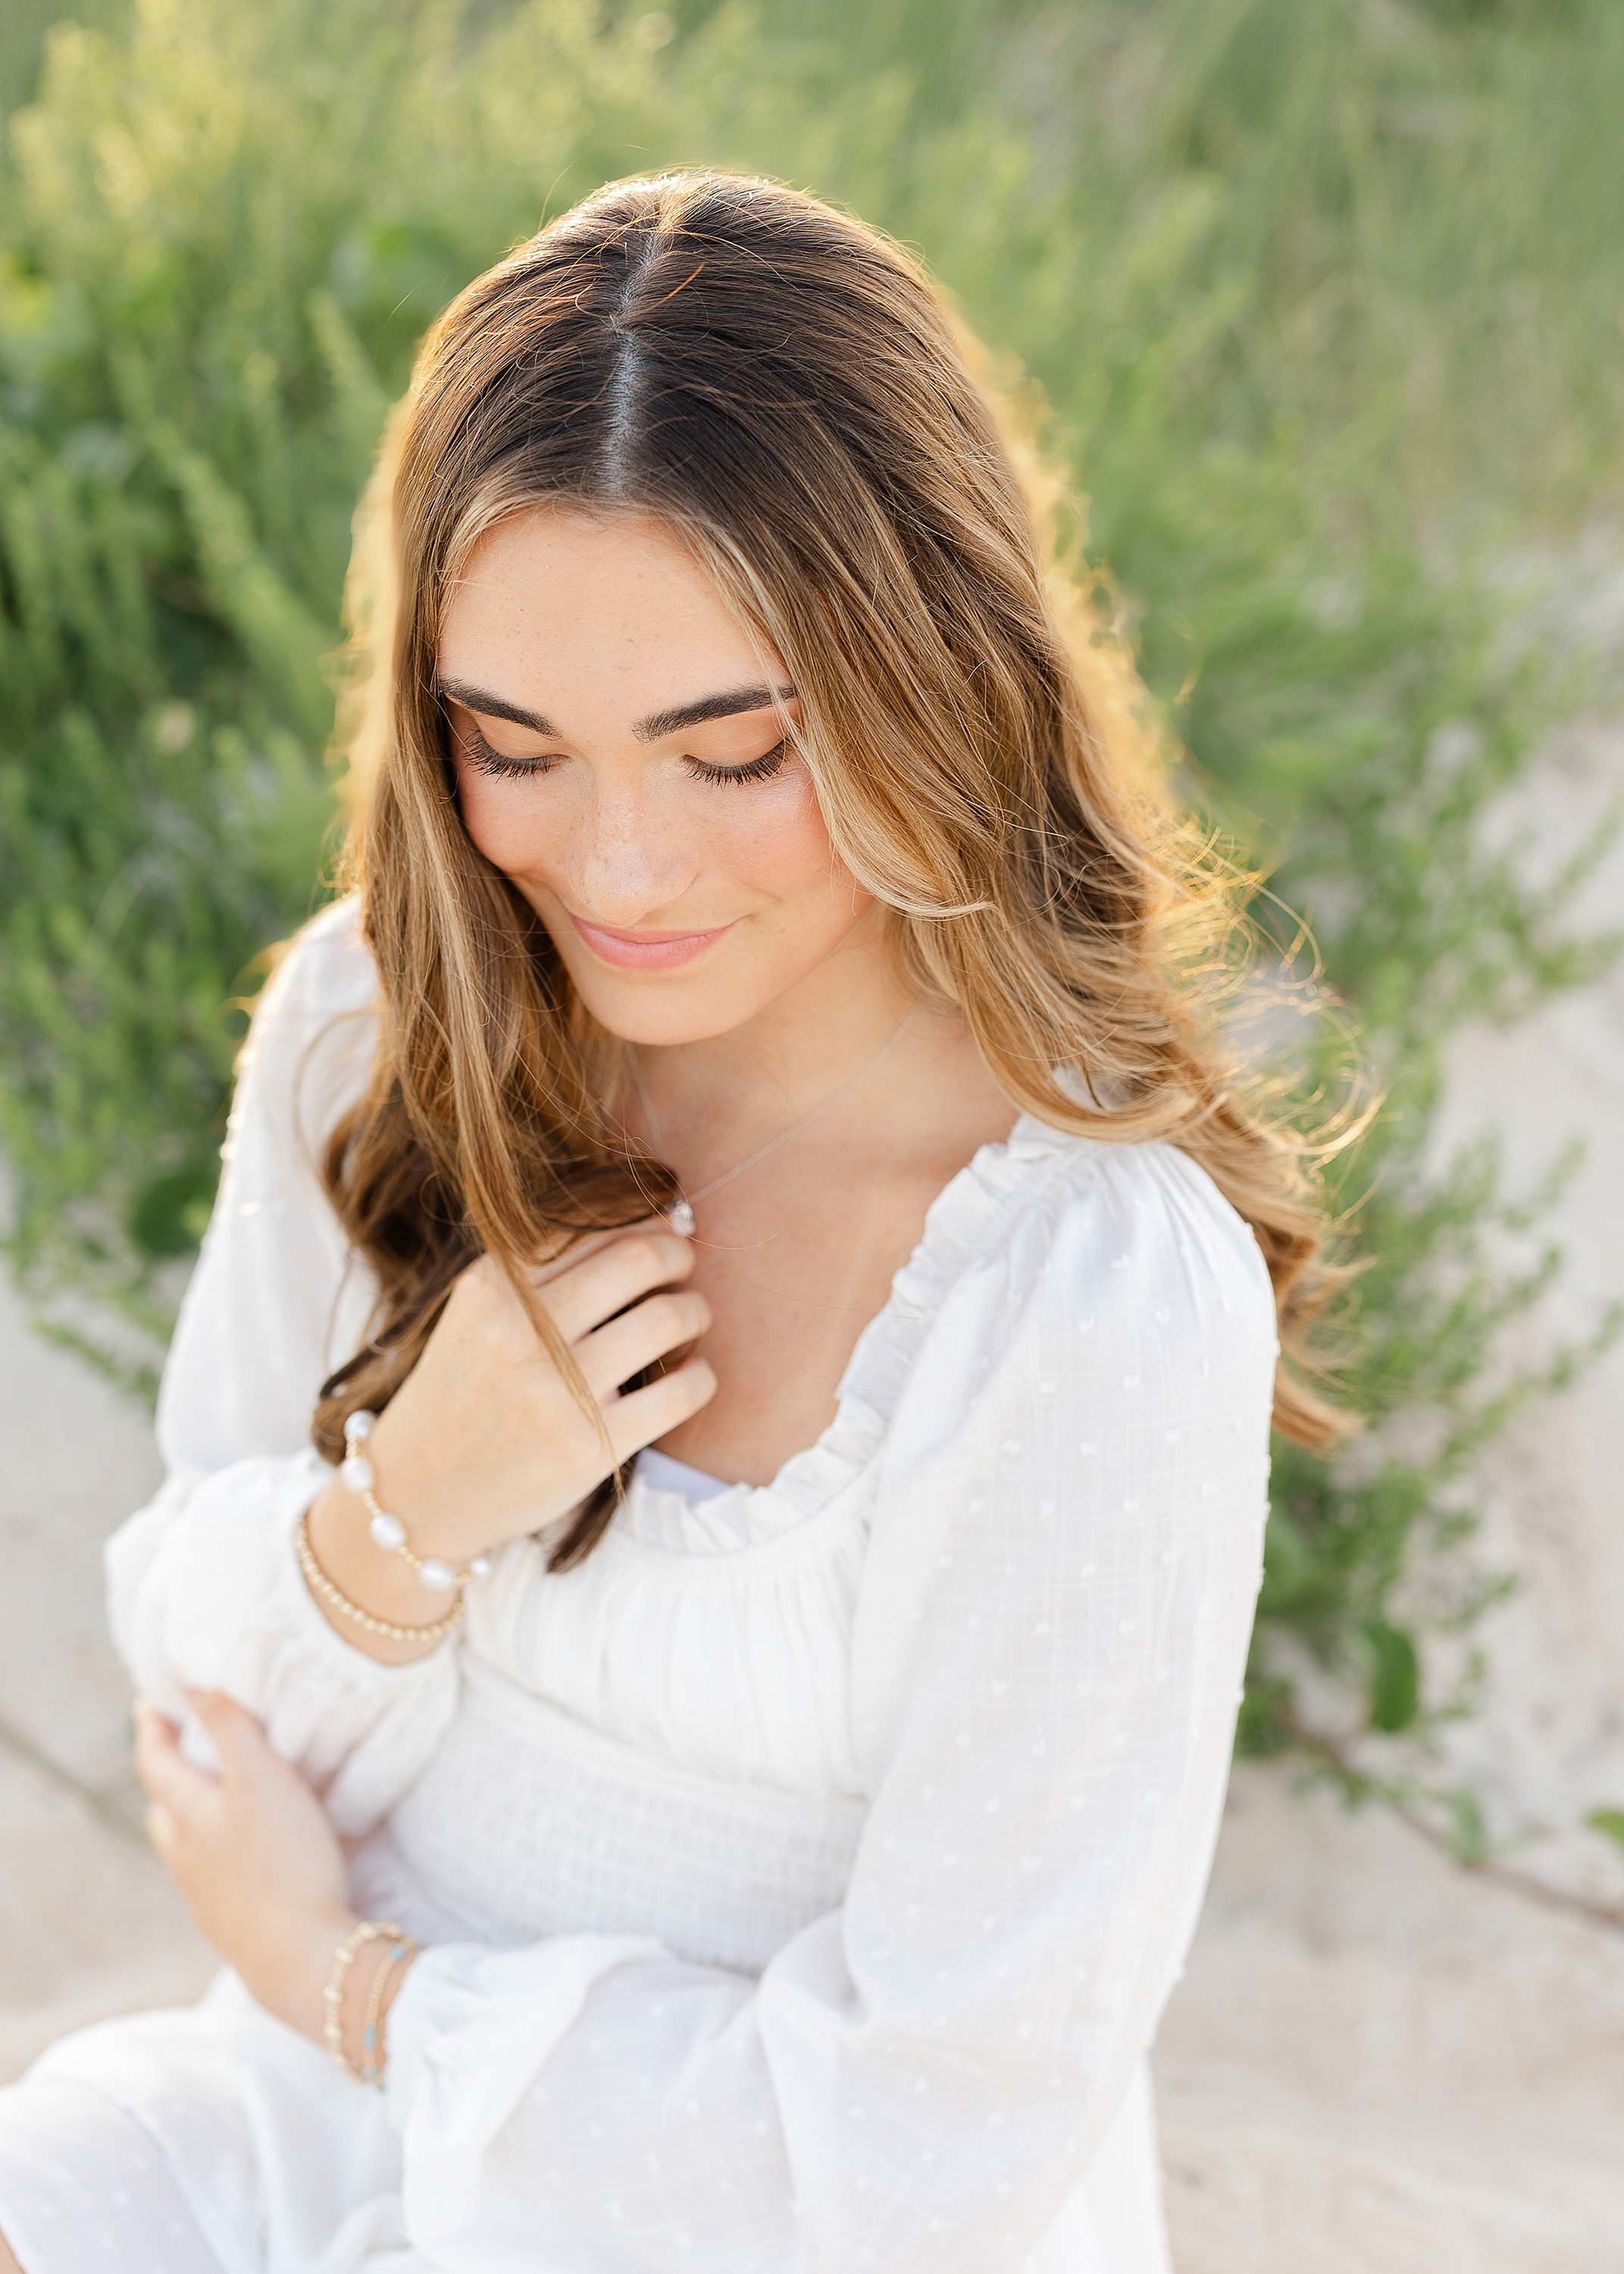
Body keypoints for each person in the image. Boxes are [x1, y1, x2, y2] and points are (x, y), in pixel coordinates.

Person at [0, 171, 1342, 2273]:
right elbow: (212, 1704)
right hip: (307, 2123)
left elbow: (930, 2138)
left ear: (933, 683)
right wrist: (399, 1524)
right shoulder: (380, 1024)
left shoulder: (1089, 1289)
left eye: (733, 753)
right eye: (511, 745)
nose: (619, 865)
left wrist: (362, 1987)